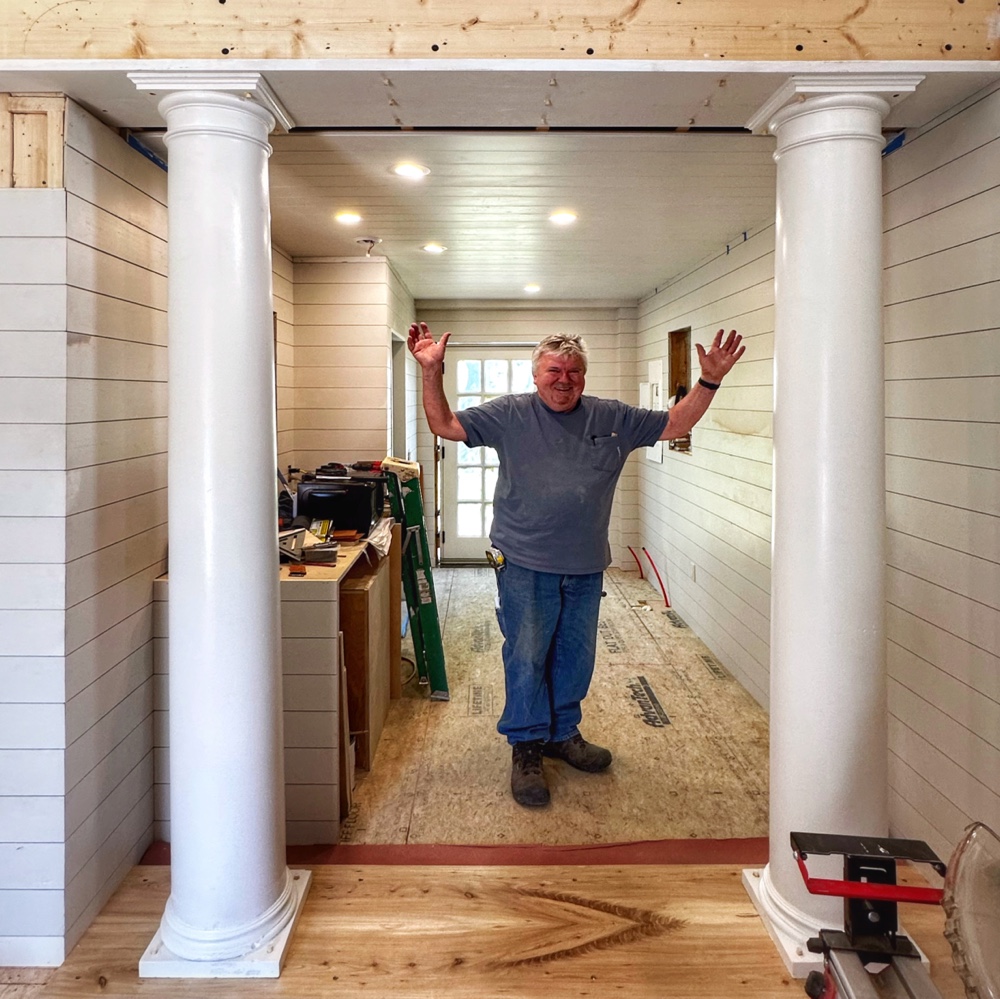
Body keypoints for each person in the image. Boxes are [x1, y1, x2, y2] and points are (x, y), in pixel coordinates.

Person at [407, 321, 744, 807]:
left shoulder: (611, 417)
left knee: (574, 657)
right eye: (554, 371)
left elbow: (677, 425)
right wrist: (431, 372)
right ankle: (526, 745)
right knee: (526, 654)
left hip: (585, 565)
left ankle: (562, 734)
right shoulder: (510, 414)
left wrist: (708, 380)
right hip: (522, 560)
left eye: (574, 372)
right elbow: (445, 426)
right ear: (536, 375)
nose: (564, 380)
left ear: (584, 377)